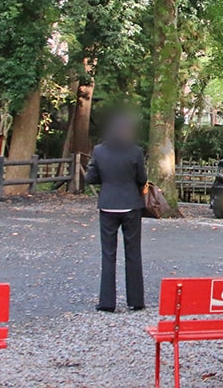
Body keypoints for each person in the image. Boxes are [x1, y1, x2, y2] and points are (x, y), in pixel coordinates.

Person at [85, 112, 147, 312]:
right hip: (130, 204)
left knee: (108, 254)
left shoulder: (99, 151)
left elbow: (90, 177)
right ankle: (136, 300)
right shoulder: (135, 152)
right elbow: (142, 178)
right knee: (133, 253)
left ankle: (107, 302)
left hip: (108, 204)